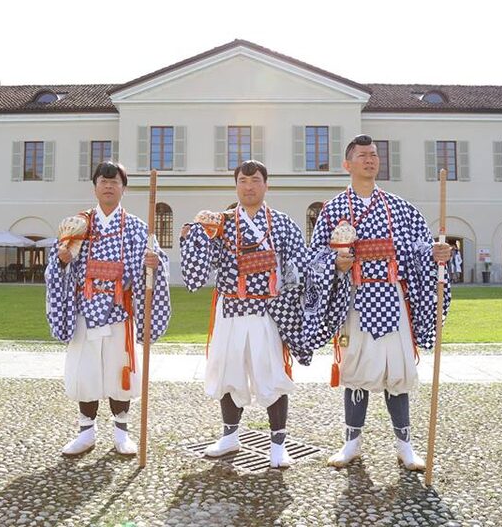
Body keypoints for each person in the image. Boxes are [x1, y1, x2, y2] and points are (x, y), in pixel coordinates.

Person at [304, 135, 452, 470]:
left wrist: (436, 253)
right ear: (348, 164)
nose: (370, 160)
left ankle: (405, 446)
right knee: (355, 371)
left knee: (396, 370)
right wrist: (334, 263)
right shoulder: (333, 209)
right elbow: (315, 259)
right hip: (356, 298)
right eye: (362, 155)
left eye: (374, 155)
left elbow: (420, 249)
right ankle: (351, 443)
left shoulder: (401, 208)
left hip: (392, 297)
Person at [179, 160, 312, 469]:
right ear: (235, 185)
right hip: (232, 309)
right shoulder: (220, 223)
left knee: (273, 376)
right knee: (228, 374)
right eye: (243, 180)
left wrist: (288, 291)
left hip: (268, 311)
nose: (249, 186)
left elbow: (300, 267)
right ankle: (229, 436)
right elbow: (199, 271)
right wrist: (195, 235)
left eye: (255, 180)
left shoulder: (282, 223)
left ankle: (278, 443)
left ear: (266, 185)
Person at [44, 161, 171, 456]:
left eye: (115, 182)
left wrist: (154, 264)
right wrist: (62, 259)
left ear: (123, 188)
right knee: (85, 372)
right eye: (104, 181)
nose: (109, 186)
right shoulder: (77, 226)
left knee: (119, 373)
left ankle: (121, 433)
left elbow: (154, 265)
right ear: (95, 187)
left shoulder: (139, 228)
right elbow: (56, 267)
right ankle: (86, 432)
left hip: (118, 312)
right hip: (85, 310)